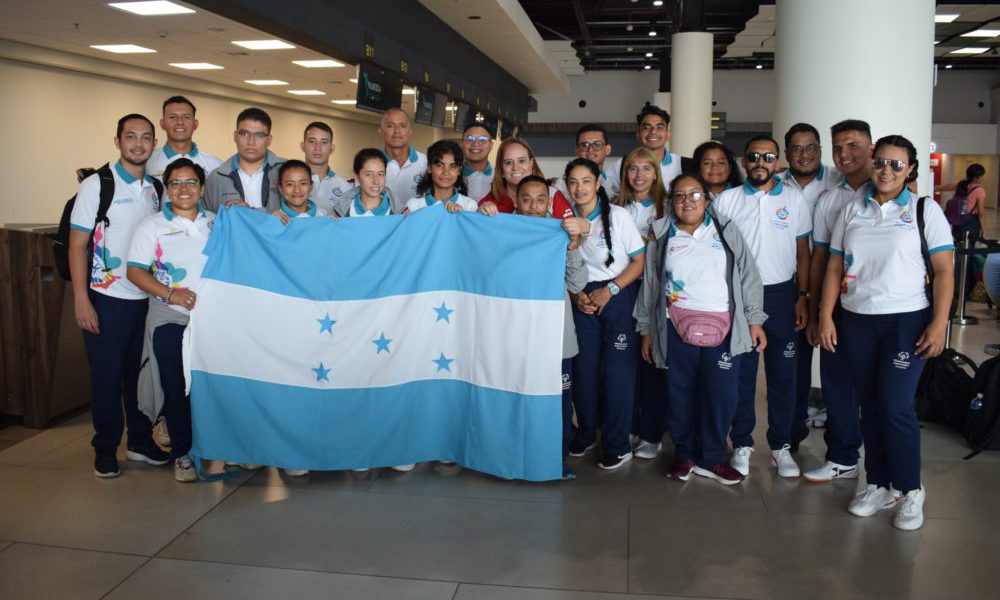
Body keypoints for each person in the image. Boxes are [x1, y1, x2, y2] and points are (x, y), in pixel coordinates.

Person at [818, 134, 954, 531]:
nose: (887, 171)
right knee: (870, 406)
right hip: (857, 318)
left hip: (906, 320)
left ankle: (910, 489)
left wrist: (939, 322)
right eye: (881, 162)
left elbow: (944, 271)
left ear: (911, 169)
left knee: (895, 406)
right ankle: (878, 483)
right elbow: (833, 268)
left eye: (897, 164)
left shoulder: (924, 211)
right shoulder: (851, 210)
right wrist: (826, 316)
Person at [636, 173, 767, 483]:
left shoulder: (726, 231)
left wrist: (754, 319)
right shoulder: (662, 234)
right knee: (678, 393)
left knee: (721, 395)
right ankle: (683, 455)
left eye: (694, 195)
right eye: (679, 196)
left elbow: (749, 276)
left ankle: (711, 457)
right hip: (674, 327)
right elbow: (651, 285)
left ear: (707, 200)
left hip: (723, 325)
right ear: (671, 203)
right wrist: (647, 329)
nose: (687, 202)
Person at [69, 113, 168, 478]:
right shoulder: (97, 185)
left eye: (145, 138)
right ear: (117, 141)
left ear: (154, 144)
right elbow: (77, 245)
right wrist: (81, 299)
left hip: (148, 300)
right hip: (107, 300)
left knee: (140, 375)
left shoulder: (157, 188)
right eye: (131, 137)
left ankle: (140, 442)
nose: (138, 144)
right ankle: (106, 449)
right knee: (107, 377)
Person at [712, 135, 811, 479]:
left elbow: (803, 251)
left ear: (777, 161)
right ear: (744, 161)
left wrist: (802, 295)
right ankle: (742, 443)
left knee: (784, 376)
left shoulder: (794, 199)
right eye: (753, 157)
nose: (760, 163)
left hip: (782, 295)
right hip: (739, 297)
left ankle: (781, 446)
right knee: (742, 375)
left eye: (768, 157)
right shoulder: (727, 200)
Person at [481, 174, 587, 479]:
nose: (533, 206)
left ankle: (556, 459)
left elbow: (578, 283)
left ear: (549, 203)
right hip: (513, 334)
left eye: (541, 200)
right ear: (516, 201)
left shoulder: (560, 232)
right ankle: (510, 456)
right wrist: (484, 216)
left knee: (557, 401)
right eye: (526, 199)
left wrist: (571, 247)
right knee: (513, 395)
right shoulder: (502, 228)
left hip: (554, 335)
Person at [126, 158, 213, 482]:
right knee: (176, 389)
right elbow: (134, 270)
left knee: (207, 388)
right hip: (169, 318)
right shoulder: (152, 226)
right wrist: (170, 294)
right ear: (167, 189)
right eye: (175, 183)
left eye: (191, 182)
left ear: (202, 188)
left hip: (211, 323)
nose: (184, 189)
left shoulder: (216, 224)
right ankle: (182, 454)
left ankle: (214, 448)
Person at [803, 119, 874, 483]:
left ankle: (886, 467)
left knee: (882, 392)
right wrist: (818, 311)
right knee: (838, 383)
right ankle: (843, 456)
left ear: (871, 148)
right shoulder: (830, 199)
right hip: (841, 307)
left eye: (853, 146)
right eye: (838, 148)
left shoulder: (893, 192)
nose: (844, 155)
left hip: (887, 311)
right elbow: (819, 260)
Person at [565, 158, 646, 470]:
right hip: (582, 297)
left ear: (598, 183)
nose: (580, 188)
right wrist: (576, 296)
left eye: (587, 181)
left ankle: (617, 443)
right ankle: (586, 433)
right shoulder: (566, 218)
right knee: (584, 373)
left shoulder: (618, 217)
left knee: (617, 375)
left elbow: (638, 262)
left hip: (617, 295)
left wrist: (609, 290)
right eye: (573, 182)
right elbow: (564, 264)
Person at [616, 147, 668, 459]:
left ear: (656, 174)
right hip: (623, 288)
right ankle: (629, 425)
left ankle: (651, 433)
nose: (639, 175)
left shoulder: (666, 209)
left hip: (655, 292)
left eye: (645, 169)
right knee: (626, 362)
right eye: (633, 169)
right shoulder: (615, 207)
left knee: (652, 361)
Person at [203, 107, 285, 213]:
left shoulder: (287, 171)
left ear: (269, 140)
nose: (251, 141)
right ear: (235, 136)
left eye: (259, 135)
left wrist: (249, 212)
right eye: (244, 133)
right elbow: (209, 221)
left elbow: (303, 214)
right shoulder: (216, 178)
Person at [478, 137, 571, 218]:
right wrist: (479, 216)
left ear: (531, 163)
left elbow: (572, 233)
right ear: (501, 168)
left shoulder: (553, 195)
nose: (515, 167)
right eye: (508, 162)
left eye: (521, 161)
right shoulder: (488, 202)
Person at [604, 105, 682, 197]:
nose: (653, 132)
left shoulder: (683, 165)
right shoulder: (621, 165)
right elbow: (606, 197)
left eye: (659, 127)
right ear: (638, 134)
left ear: (668, 134)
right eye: (646, 127)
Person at [146, 95, 222, 179]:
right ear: (162, 124)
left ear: (195, 124)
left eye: (186, 117)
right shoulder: (148, 162)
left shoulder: (215, 165)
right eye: (172, 117)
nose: (180, 122)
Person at [404, 140, 478, 214]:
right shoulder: (413, 206)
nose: (446, 172)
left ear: (459, 170)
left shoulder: (470, 207)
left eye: (453, 166)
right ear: (429, 168)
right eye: (439, 165)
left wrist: (462, 216)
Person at [553, 124, 617, 203]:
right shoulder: (560, 186)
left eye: (597, 144)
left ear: (607, 149)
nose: (590, 149)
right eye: (584, 145)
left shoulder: (616, 183)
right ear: (577, 151)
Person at [380, 107, 427, 212]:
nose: (397, 131)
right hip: (383, 226)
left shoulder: (427, 163)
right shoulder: (370, 164)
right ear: (381, 131)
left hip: (417, 226)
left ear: (410, 132)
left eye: (402, 126)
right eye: (390, 126)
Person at [301, 121, 353, 215]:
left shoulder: (345, 187)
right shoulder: (291, 182)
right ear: (303, 146)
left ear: (332, 148)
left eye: (324, 142)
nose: (318, 148)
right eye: (312, 141)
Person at [333, 149, 392, 218]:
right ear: (356, 176)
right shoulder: (343, 212)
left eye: (380, 174)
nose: (376, 181)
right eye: (368, 175)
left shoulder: (397, 213)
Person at [460, 121, 495, 202]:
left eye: (482, 139)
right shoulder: (450, 177)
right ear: (462, 143)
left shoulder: (500, 179)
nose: (475, 144)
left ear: (491, 145)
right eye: (470, 139)